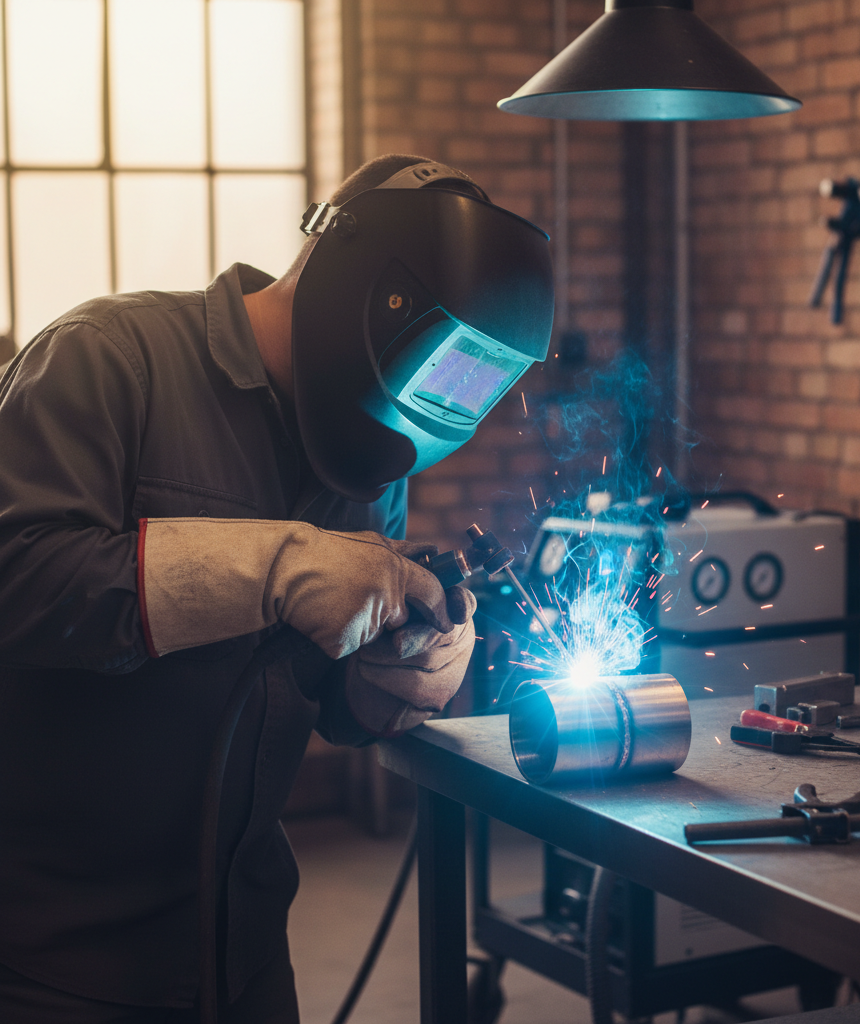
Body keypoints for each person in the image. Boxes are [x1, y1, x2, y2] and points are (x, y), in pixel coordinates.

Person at [0, 154, 554, 1023]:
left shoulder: (369, 458)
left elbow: (323, 696)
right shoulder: (110, 360)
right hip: (57, 962)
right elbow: (17, 579)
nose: (432, 405)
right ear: (373, 297)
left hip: (246, 949)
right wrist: (269, 567)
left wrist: (394, 676)